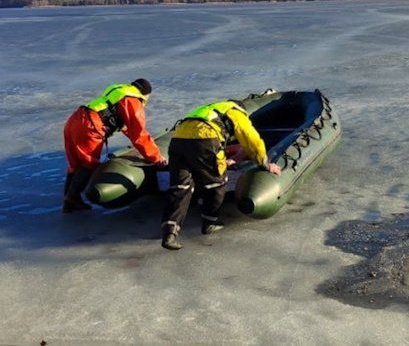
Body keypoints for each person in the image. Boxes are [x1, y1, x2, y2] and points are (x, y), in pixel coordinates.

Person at [161, 99, 281, 250]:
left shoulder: (209, 109)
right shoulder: (235, 112)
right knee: (216, 182)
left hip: (178, 141)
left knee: (180, 186)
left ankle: (169, 233)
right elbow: (251, 140)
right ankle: (210, 222)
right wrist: (264, 163)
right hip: (205, 139)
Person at [62, 79, 166, 213]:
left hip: (75, 119)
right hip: (90, 127)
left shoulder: (118, 92)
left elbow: (126, 127)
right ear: (145, 94)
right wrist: (156, 158)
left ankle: (69, 199)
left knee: (75, 164)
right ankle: (71, 199)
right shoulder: (133, 101)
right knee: (88, 164)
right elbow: (139, 135)